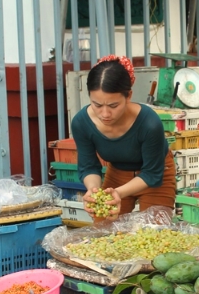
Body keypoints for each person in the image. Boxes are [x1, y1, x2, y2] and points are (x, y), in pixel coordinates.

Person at [70, 55, 176, 220]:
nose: (105, 114)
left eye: (113, 105)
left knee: (155, 233)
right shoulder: (81, 123)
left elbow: (152, 174)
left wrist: (118, 192)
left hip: (156, 175)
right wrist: (93, 190)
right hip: (117, 174)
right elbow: (89, 166)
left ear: (128, 96)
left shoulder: (149, 123)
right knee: (105, 231)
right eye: (97, 105)